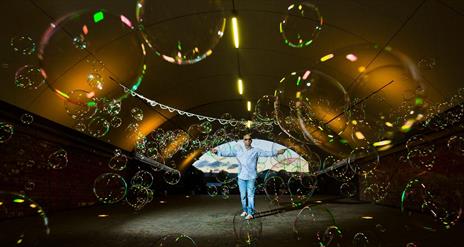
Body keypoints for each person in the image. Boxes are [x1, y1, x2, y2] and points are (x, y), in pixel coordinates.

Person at [211, 134, 285, 220]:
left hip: (251, 177)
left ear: (251, 141)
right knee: (243, 196)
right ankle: (245, 210)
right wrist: (217, 152)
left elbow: (266, 153)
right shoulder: (239, 151)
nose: (247, 141)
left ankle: (250, 213)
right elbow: (228, 153)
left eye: (249, 139)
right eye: (245, 139)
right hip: (241, 176)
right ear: (243, 141)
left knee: (250, 195)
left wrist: (277, 152)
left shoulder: (256, 150)